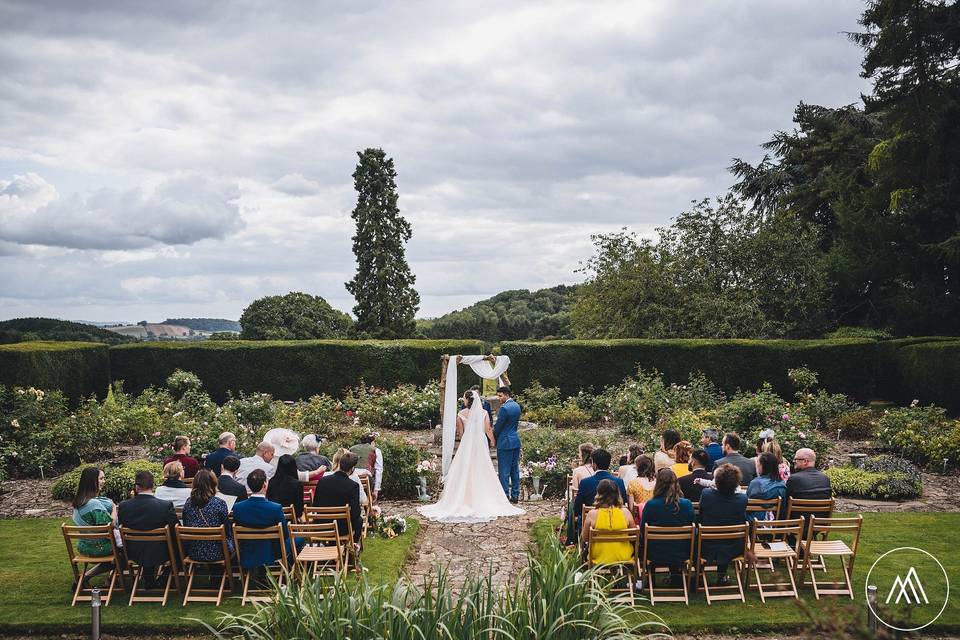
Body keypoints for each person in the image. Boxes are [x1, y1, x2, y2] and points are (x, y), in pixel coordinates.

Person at [418, 391, 525, 523]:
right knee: (484, 469)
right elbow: (488, 430)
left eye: (464, 399)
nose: (463, 400)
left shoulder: (460, 415)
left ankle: (465, 497)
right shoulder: (484, 413)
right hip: (481, 445)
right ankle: (493, 496)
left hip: (467, 446)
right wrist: (493, 441)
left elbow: (461, 434)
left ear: (468, 400)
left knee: (466, 470)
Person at [117, 471, 179, 586]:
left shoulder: (124, 506)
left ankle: (150, 579)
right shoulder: (165, 506)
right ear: (153, 486)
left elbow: (121, 527)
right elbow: (175, 530)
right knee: (181, 546)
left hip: (132, 552)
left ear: (137, 487)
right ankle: (163, 579)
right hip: (160, 552)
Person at [640, 469, 696, 586]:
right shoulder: (686, 504)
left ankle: (652, 580)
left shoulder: (651, 505)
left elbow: (642, 531)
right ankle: (675, 575)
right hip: (682, 552)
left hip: (655, 553)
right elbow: (693, 527)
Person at [698, 463, 748, 585]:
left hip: (707, 544)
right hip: (733, 546)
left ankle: (699, 573)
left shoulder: (706, 494)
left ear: (717, 481)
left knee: (697, 531)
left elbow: (701, 513)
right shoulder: (742, 499)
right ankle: (721, 575)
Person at [232, 469, 292, 568]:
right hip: (272, 553)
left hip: (248, 552)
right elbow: (285, 534)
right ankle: (288, 572)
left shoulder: (238, 507)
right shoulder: (275, 508)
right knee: (299, 540)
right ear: (265, 485)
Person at [70, 467, 119, 582]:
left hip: (85, 546)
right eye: (101, 478)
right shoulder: (94, 504)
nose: (104, 481)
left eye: (104, 478)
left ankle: (112, 579)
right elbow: (109, 526)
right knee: (127, 551)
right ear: (92, 481)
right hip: (99, 548)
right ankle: (86, 577)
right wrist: (114, 508)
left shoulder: (79, 502)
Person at [572, 449, 627, 538]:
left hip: (592, 525)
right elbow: (624, 503)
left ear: (594, 464)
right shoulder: (619, 482)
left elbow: (577, 507)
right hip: (616, 526)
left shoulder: (585, 482)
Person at [181, 470, 233, 564]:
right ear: (213, 483)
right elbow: (227, 530)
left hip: (194, 551)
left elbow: (186, 525)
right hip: (218, 552)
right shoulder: (219, 503)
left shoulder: (188, 503)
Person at [312, 452, 365, 543]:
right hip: (341, 529)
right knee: (359, 520)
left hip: (321, 526)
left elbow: (315, 504)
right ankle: (354, 546)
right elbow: (356, 513)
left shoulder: (322, 481)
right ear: (352, 468)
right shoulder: (352, 485)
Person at [583, 478, 636, 565]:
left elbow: (585, 538)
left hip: (599, 557)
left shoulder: (592, 514)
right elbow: (633, 535)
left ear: (599, 494)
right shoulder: (625, 512)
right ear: (617, 494)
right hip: (623, 556)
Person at [237, 441, 324, 492]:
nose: (272, 457)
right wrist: (317, 472)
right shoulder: (268, 468)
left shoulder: (241, 462)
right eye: (272, 454)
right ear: (265, 453)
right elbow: (297, 475)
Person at [493, 386, 523, 503]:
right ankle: (515, 496)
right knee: (514, 469)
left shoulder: (504, 409)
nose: (498, 398)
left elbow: (498, 427)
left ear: (506, 395)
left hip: (505, 442)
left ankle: (504, 496)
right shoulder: (516, 406)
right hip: (515, 440)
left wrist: (493, 438)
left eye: (500, 396)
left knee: (504, 471)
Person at [746, 452, 787, 521]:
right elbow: (782, 510)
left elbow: (747, 505)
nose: (757, 465)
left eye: (758, 462)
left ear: (763, 465)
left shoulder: (755, 483)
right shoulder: (781, 484)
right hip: (774, 524)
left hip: (754, 523)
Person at [266, 454, 305, 520]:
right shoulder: (297, 484)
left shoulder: (271, 481)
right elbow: (299, 511)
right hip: (292, 520)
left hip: (273, 518)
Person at [349, 432, 383, 502]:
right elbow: (379, 471)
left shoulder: (351, 449)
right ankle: (369, 508)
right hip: (366, 479)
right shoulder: (376, 450)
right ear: (373, 441)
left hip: (351, 479)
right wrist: (376, 490)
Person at [626, 454, 656, 520]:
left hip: (639, 520)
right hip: (655, 518)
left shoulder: (633, 483)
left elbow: (631, 509)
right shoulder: (658, 483)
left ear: (638, 467)